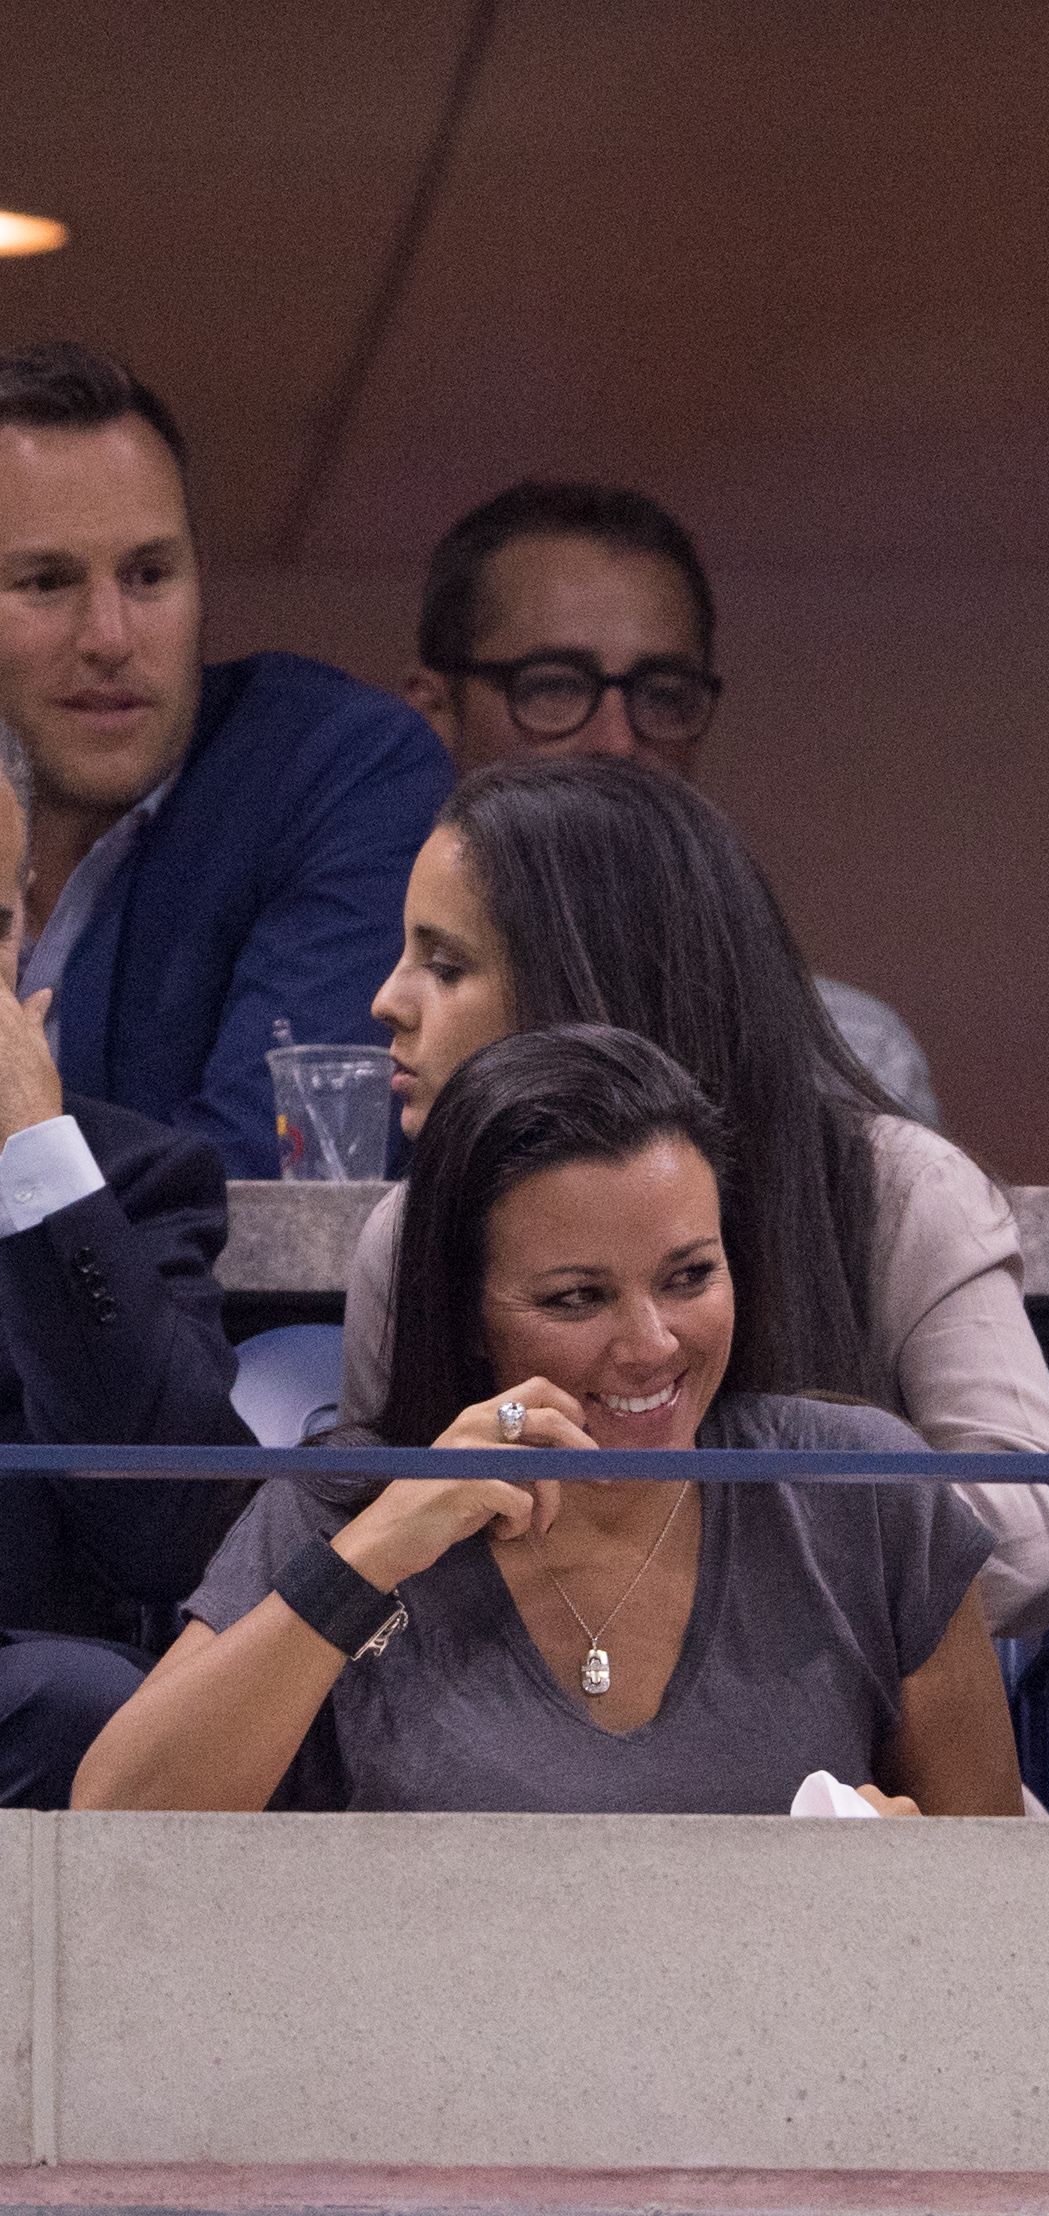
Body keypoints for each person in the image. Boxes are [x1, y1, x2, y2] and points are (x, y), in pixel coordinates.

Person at [74, 1026, 1022, 1815]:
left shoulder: (865, 1492)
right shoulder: (343, 1505)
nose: (652, 1345)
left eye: (690, 1277)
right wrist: (374, 1558)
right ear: (467, 1315)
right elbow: (115, 1820)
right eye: (577, 1299)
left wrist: (910, 1877)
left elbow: (999, 1914)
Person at [337, 758, 1049, 1638]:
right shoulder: (405, 1235)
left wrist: (685, 1528)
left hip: (858, 1765)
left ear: (591, 988)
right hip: (507, 1742)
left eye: (448, 965)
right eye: (577, 1296)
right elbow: (363, 1546)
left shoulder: (899, 1188)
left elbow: (1037, 1547)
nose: (387, 1000)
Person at [0, 341, 450, 1177]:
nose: (110, 637)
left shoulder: (337, 768)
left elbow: (261, 1170)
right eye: (46, 583)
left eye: (148, 574)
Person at [403, 479, 940, 1126]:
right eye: (551, 687)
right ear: (434, 714)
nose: (618, 740)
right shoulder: (359, 1041)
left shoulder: (841, 1058)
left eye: (663, 694)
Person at [0, 717, 254, 1806]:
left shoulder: (122, 1183)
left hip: (23, 1703)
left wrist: (36, 1167)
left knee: (83, 1705)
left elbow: (179, 1535)